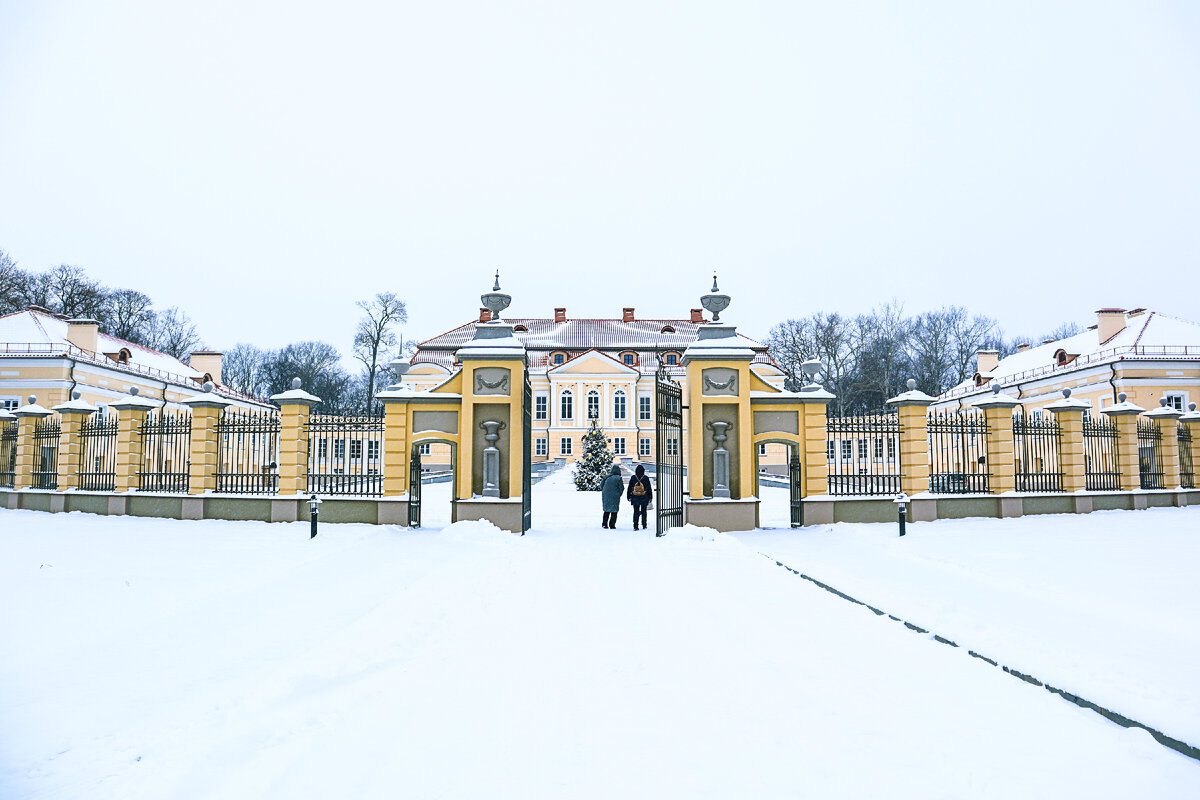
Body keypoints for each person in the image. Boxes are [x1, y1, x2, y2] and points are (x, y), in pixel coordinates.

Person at [626, 464, 654, 531]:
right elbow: (649, 488)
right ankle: (644, 525)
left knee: (636, 511)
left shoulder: (633, 477)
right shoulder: (646, 478)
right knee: (644, 511)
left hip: (635, 497)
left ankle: (635, 526)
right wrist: (650, 497)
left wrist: (628, 496)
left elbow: (630, 487)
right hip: (644, 496)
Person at [600, 464, 624, 529]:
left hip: (606, 495)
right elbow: (621, 488)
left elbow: (601, 486)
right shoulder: (619, 478)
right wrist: (619, 494)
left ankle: (604, 524)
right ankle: (612, 525)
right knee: (614, 511)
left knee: (606, 510)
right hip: (615, 496)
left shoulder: (606, 477)